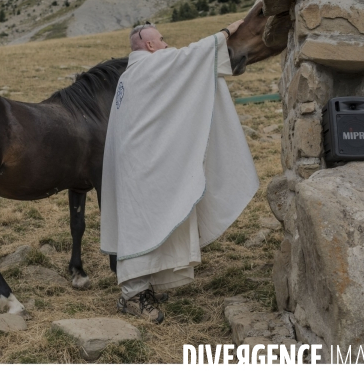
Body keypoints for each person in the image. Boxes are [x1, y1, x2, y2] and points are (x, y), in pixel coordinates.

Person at [100, 21, 259, 323]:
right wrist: (225, 32)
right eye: (161, 39)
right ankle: (133, 295)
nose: (166, 43)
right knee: (142, 224)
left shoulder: (131, 75)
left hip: (138, 164)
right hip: (142, 167)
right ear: (148, 45)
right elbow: (192, 57)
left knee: (149, 220)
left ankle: (146, 284)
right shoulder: (153, 64)